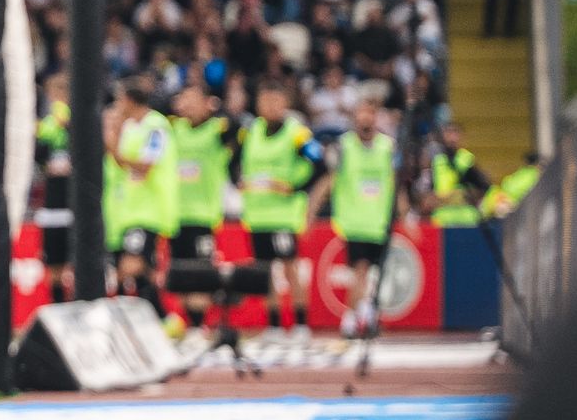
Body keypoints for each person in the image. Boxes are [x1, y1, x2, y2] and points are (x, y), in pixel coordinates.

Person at [232, 81, 321, 332]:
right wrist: (237, 181)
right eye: (265, 100)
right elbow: (233, 163)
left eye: (275, 101)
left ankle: (301, 324)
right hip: (257, 214)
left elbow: (320, 165)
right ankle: (273, 325)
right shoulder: (250, 131)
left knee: (290, 268)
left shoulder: (297, 132)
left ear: (285, 103)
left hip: (284, 215)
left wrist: (293, 188)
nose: (270, 106)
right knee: (265, 272)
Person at [318, 97, 402, 338]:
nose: (365, 117)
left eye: (370, 113)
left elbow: (396, 183)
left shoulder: (388, 147)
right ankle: (351, 321)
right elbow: (329, 180)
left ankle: (364, 318)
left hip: (379, 221)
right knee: (360, 271)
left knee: (373, 276)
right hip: (354, 222)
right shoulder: (343, 146)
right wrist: (313, 208)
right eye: (361, 113)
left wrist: (405, 213)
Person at [164, 84, 232, 338]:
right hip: (175, 214)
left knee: (201, 272)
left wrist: (216, 108)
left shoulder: (216, 129)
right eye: (184, 99)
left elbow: (236, 126)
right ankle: (189, 323)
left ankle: (198, 325)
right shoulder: (174, 129)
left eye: (193, 100)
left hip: (202, 215)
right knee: (180, 274)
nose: (187, 105)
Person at [100, 76, 172, 301]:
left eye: (120, 99)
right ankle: (158, 316)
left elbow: (145, 166)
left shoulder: (156, 126)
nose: (117, 105)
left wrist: (114, 147)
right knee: (136, 269)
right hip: (126, 212)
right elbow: (122, 165)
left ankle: (152, 314)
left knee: (130, 266)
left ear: (131, 100)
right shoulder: (130, 127)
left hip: (148, 210)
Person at [30, 96, 74, 297]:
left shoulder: (81, 127)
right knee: (54, 265)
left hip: (75, 207)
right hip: (52, 207)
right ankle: (59, 307)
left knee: (76, 264)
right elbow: (38, 156)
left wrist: (68, 128)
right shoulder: (47, 126)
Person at [423, 118, 491, 232]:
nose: (452, 138)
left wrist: (462, 196)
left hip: (465, 221)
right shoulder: (436, 162)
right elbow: (427, 194)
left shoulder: (467, 160)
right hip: (442, 221)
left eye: (455, 133)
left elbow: (484, 186)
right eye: (448, 133)